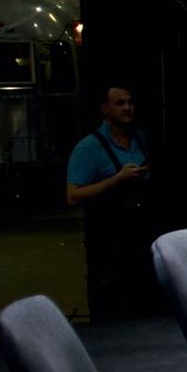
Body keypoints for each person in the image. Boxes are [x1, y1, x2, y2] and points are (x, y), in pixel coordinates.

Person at [66, 84, 159, 319]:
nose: (127, 108)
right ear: (104, 108)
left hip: (140, 233)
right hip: (107, 239)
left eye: (130, 102)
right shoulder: (89, 147)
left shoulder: (142, 139)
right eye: (120, 103)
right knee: (111, 302)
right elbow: (73, 196)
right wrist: (116, 180)